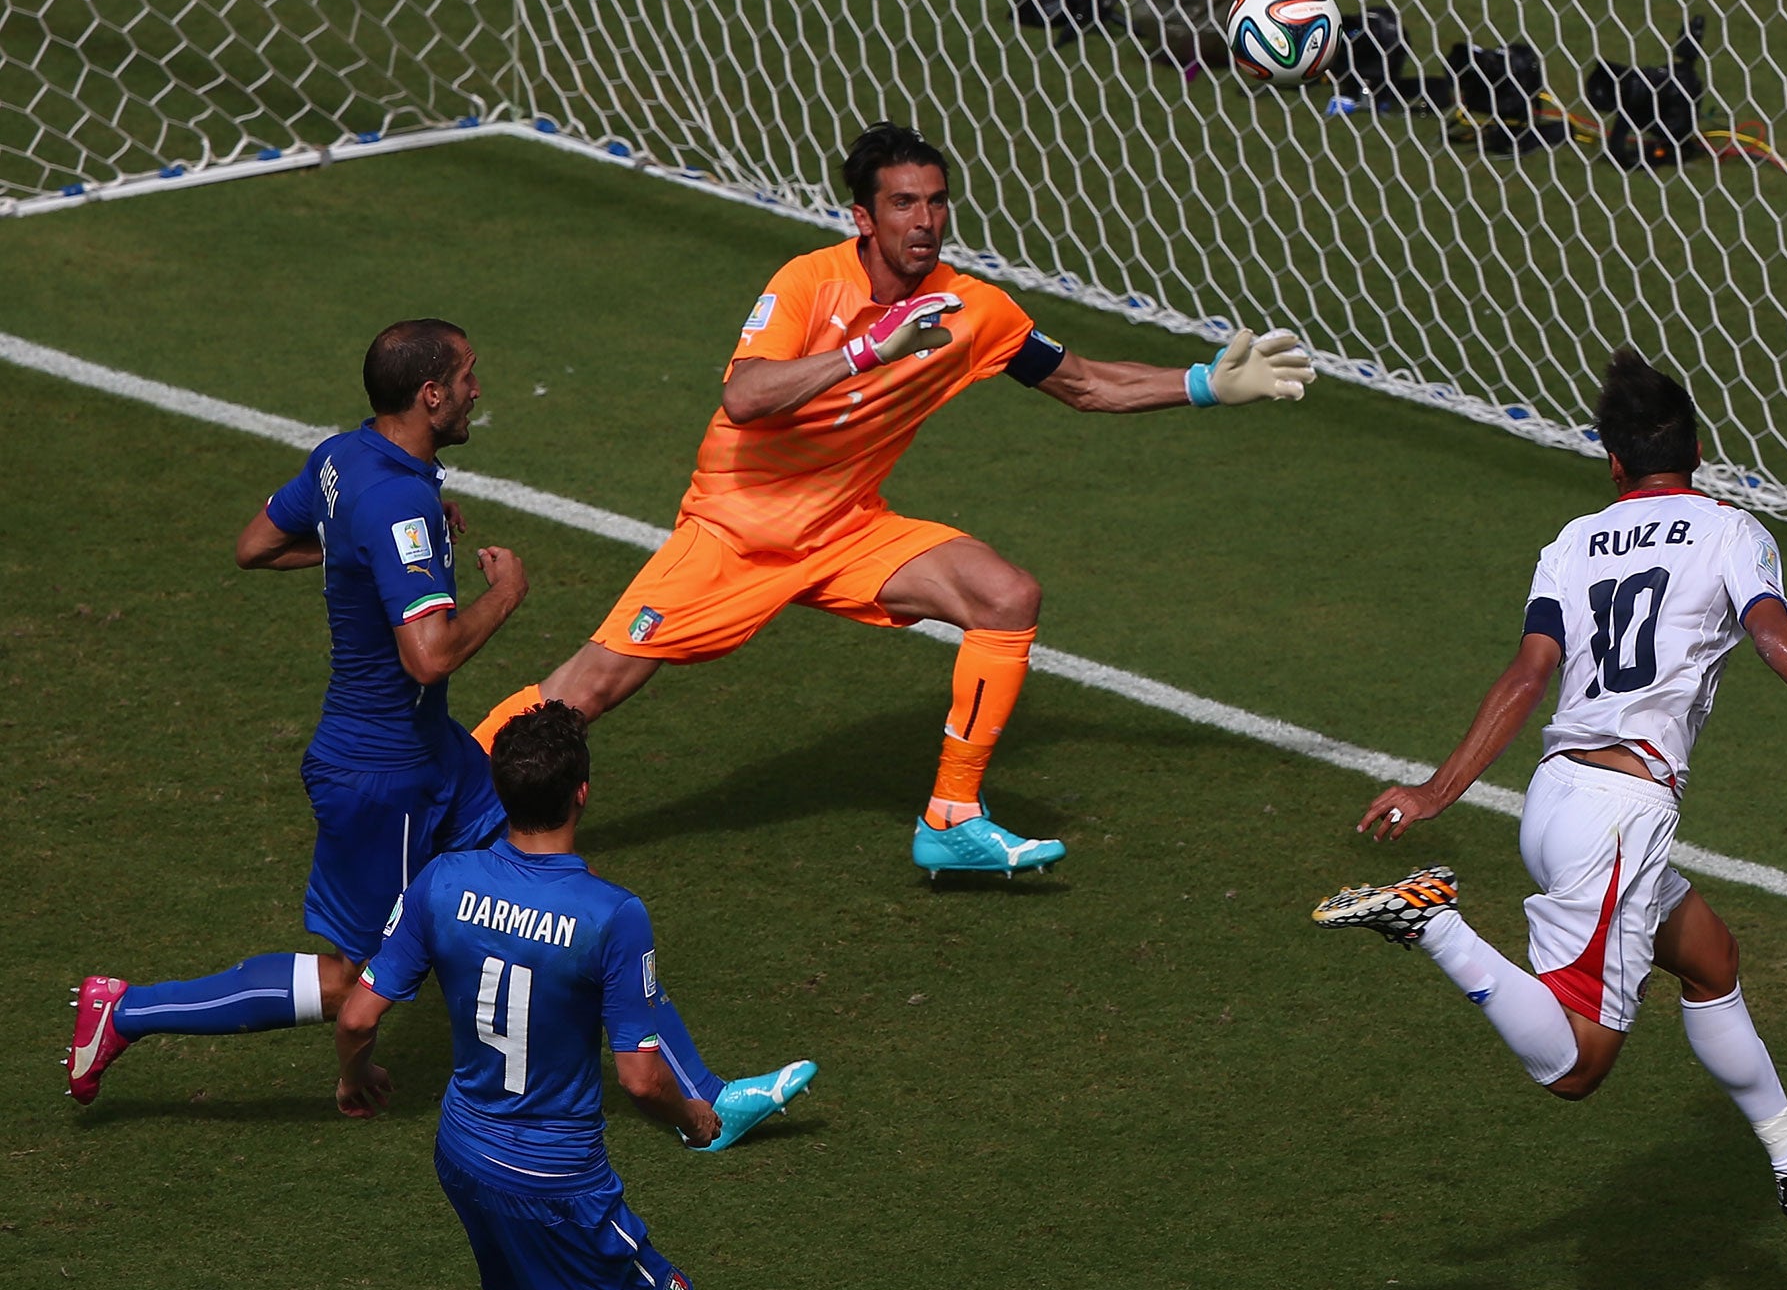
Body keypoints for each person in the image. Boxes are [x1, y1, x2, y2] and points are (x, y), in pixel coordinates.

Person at [470, 121, 1316, 877]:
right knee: (589, 691)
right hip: (736, 530)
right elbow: (746, 398)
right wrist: (866, 353)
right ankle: (441, 797)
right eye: (905, 204)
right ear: (863, 218)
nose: (926, 221)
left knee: (1006, 595)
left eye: (938, 203)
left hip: (845, 530)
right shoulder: (808, 283)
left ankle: (952, 816)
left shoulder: (972, 310)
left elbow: (1088, 385)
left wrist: (1206, 383)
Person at [66, 321, 810, 1149]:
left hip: (437, 757)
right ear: (429, 395)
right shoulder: (395, 501)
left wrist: (369, 554)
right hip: (384, 778)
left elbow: (256, 544)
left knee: (570, 895)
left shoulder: (343, 458)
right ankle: (125, 1010)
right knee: (352, 979)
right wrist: (505, 594)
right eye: (465, 377)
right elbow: (428, 656)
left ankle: (704, 1096)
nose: (475, 391)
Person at [1314, 349, 1787, 1219]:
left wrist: (1435, 791)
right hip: (1620, 814)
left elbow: (1528, 677)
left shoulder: (1571, 543)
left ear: (1611, 459)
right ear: (1700, 448)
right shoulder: (1732, 530)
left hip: (1557, 798)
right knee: (1577, 1067)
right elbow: (1769, 632)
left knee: (1709, 956)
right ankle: (1435, 925)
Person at [335, 701, 710, 1290]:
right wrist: (694, 1119)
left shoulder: (444, 880)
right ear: (582, 793)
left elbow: (358, 1017)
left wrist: (352, 1078)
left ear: (501, 792)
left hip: (462, 1155)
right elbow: (641, 1079)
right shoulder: (611, 915)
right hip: (558, 1179)